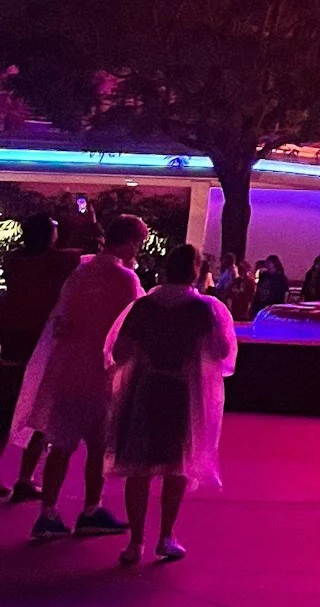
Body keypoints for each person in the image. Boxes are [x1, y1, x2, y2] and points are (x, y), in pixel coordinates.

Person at [11, 215, 148, 539]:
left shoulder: (81, 272)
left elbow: (62, 321)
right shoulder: (125, 280)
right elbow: (135, 325)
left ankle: (48, 512)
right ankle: (90, 508)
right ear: (129, 242)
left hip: (68, 370)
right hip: (100, 375)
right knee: (99, 447)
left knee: (60, 444)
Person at [108, 242, 238, 566]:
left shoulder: (144, 307)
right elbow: (222, 352)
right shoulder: (202, 309)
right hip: (182, 390)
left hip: (144, 387)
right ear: (196, 271)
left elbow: (120, 351)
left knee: (137, 465)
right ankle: (166, 535)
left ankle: (135, 541)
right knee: (177, 464)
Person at [2, 217, 80, 503]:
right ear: (51, 235)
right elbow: (88, 253)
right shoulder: (58, 261)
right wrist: (87, 223)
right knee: (42, 406)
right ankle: (25, 477)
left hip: (12, 337)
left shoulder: (15, 261)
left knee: (5, 406)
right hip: (42, 340)